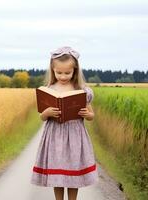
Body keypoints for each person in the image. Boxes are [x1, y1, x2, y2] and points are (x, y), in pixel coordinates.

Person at [30, 46, 99, 200]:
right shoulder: (49, 89)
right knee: (58, 173)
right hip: (54, 135)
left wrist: (88, 114)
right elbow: (42, 117)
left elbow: (91, 115)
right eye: (59, 72)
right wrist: (46, 113)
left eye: (67, 73)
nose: (63, 76)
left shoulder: (82, 91)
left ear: (75, 71)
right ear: (52, 70)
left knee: (73, 172)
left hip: (75, 136)